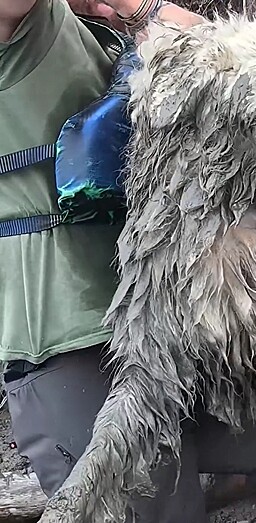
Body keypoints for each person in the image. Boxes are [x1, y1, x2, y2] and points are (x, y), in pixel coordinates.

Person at [0, 0, 203, 501]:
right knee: (131, 500)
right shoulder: (21, 28)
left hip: (168, 302)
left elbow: (216, 51)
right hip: (63, 331)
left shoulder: (82, 22)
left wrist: (137, 9)